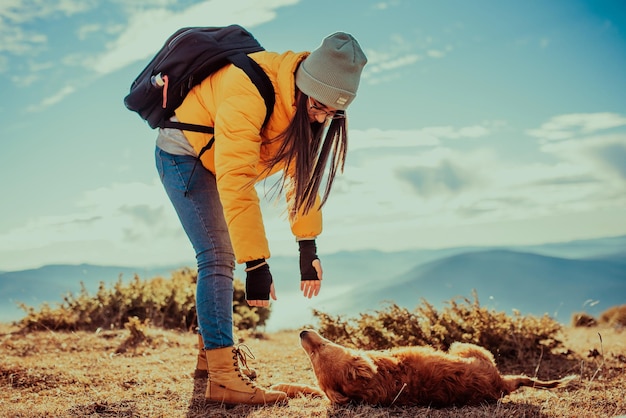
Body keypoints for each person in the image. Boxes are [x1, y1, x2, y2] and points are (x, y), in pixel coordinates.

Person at [155, 30, 367, 405]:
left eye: (334, 113)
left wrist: (308, 247)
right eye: (317, 106)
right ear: (304, 86)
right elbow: (236, 180)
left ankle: (211, 363)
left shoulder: (309, 113)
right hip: (184, 154)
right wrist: (257, 264)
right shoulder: (248, 87)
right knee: (218, 257)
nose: (321, 118)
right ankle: (223, 380)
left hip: (215, 161)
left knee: (220, 256)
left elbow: (301, 180)